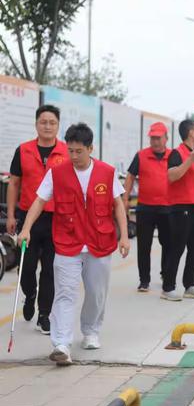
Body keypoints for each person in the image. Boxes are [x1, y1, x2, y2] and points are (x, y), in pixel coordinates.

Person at [18, 123, 129, 366]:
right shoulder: (57, 173)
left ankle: (90, 331)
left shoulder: (106, 172)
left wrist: (124, 236)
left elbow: (118, 204)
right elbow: (38, 201)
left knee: (96, 292)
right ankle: (61, 344)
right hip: (67, 242)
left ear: (91, 148)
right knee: (65, 293)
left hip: (99, 242)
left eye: (79, 151)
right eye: (70, 150)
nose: (74, 156)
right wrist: (26, 229)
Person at [6, 104, 69, 334]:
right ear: (36, 124)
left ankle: (45, 314)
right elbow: (14, 184)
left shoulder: (65, 152)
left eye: (52, 122)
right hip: (27, 219)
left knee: (51, 269)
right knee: (28, 267)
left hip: (57, 218)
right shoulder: (23, 150)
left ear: (58, 126)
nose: (48, 126)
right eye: (43, 122)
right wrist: (12, 215)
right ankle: (29, 293)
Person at [123, 122, 171, 293]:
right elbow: (130, 177)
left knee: (168, 244)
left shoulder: (173, 156)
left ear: (166, 138)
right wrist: (125, 198)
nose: (155, 141)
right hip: (146, 207)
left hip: (168, 207)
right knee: (144, 245)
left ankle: (166, 274)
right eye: (152, 138)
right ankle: (144, 280)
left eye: (158, 138)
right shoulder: (141, 156)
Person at [163, 119, 194, 301]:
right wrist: (190, 160)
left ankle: (190, 285)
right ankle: (168, 287)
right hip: (181, 207)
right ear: (190, 132)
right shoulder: (177, 153)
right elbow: (172, 176)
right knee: (177, 248)